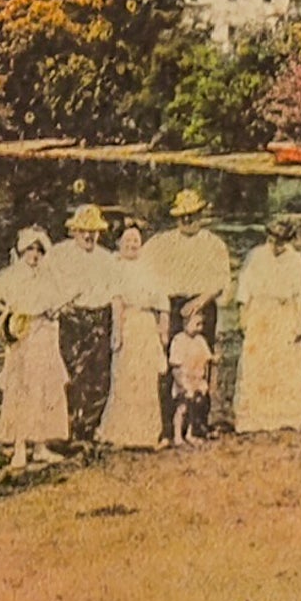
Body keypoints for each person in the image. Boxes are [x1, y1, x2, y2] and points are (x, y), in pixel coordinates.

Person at [142, 188, 233, 438]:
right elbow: (141, 266)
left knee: (200, 363)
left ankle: (199, 422)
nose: (187, 220)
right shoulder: (162, 243)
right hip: (173, 304)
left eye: (192, 215)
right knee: (174, 361)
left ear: (201, 214)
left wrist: (201, 300)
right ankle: (170, 424)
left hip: (203, 304)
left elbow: (222, 279)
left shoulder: (213, 243)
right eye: (183, 216)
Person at [0, 226, 70, 468]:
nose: (34, 255)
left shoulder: (49, 276)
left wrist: (53, 310)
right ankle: (19, 447)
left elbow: (59, 303)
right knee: (22, 390)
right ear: (21, 251)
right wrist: (9, 311)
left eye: (38, 250)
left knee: (44, 389)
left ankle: (40, 445)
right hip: (23, 337)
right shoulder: (11, 275)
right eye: (30, 249)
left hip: (45, 337)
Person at [232, 218, 301, 434]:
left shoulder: (296, 260)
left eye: (280, 242)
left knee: (283, 362)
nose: (275, 246)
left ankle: (285, 416)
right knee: (257, 361)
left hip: (284, 314)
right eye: (272, 240)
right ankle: (254, 418)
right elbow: (244, 288)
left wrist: (299, 322)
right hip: (260, 312)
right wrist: (244, 315)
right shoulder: (256, 256)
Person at [46, 204, 118, 444]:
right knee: (70, 374)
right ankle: (66, 429)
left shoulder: (107, 259)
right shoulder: (59, 254)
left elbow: (114, 292)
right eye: (84, 231)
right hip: (72, 318)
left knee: (98, 377)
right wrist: (59, 305)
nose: (89, 236)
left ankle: (87, 429)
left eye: (94, 231)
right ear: (74, 231)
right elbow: (48, 283)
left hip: (98, 317)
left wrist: (113, 324)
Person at [97, 219, 172, 449]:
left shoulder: (149, 268)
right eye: (127, 240)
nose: (132, 244)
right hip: (128, 324)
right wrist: (117, 332)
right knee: (125, 376)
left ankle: (147, 434)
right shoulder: (115, 267)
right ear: (119, 242)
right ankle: (121, 433)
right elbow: (117, 301)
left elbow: (162, 301)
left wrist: (163, 329)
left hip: (146, 325)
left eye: (136, 240)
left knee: (146, 378)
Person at [169, 302, 215, 445]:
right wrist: (182, 383)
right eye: (196, 324)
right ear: (185, 323)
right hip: (184, 379)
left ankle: (190, 433)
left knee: (194, 409)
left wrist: (205, 380)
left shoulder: (200, 341)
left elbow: (207, 360)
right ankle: (177, 435)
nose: (199, 328)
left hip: (197, 379)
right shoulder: (179, 340)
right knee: (182, 408)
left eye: (201, 324)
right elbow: (175, 365)